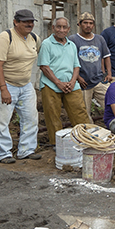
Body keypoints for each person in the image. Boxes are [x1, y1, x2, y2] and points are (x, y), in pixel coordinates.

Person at [0, 9, 42, 163]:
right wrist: (3, 89)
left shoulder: (34, 38)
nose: (29, 24)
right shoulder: (5, 38)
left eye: (31, 21)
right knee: (1, 119)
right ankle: (4, 153)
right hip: (3, 83)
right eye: (25, 21)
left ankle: (26, 150)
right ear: (15, 22)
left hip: (25, 84)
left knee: (31, 117)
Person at [38, 17, 91, 145]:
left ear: (68, 29)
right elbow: (44, 66)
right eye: (58, 27)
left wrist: (73, 82)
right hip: (51, 85)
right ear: (53, 28)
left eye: (64, 27)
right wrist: (58, 83)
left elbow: (76, 66)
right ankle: (57, 144)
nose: (61, 30)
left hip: (70, 85)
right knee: (53, 116)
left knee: (80, 112)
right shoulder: (46, 44)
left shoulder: (71, 45)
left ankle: (86, 140)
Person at [70, 12, 111, 116]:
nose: (88, 25)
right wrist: (78, 77)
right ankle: (88, 131)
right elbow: (69, 61)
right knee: (85, 112)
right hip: (83, 83)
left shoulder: (99, 39)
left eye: (91, 23)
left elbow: (106, 56)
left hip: (98, 80)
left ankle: (113, 128)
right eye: (85, 23)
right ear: (79, 24)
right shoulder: (73, 40)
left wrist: (109, 73)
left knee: (111, 104)